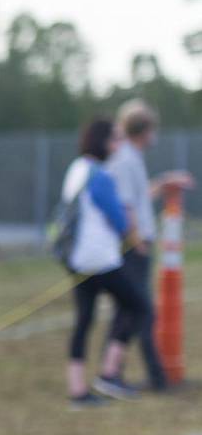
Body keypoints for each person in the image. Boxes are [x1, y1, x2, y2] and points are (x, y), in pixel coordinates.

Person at [59, 119, 148, 407]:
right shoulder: (101, 176)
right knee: (138, 305)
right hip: (100, 258)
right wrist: (131, 228)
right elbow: (120, 221)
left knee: (84, 320)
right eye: (115, 140)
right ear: (103, 142)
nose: (119, 145)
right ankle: (110, 373)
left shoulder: (77, 169)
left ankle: (78, 390)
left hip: (77, 259)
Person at [106, 100, 167, 391]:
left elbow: (140, 198)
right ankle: (137, 375)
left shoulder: (132, 158)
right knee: (138, 309)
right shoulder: (125, 160)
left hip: (136, 243)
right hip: (133, 247)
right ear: (143, 130)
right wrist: (137, 241)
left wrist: (164, 184)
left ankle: (117, 372)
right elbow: (126, 205)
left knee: (132, 309)